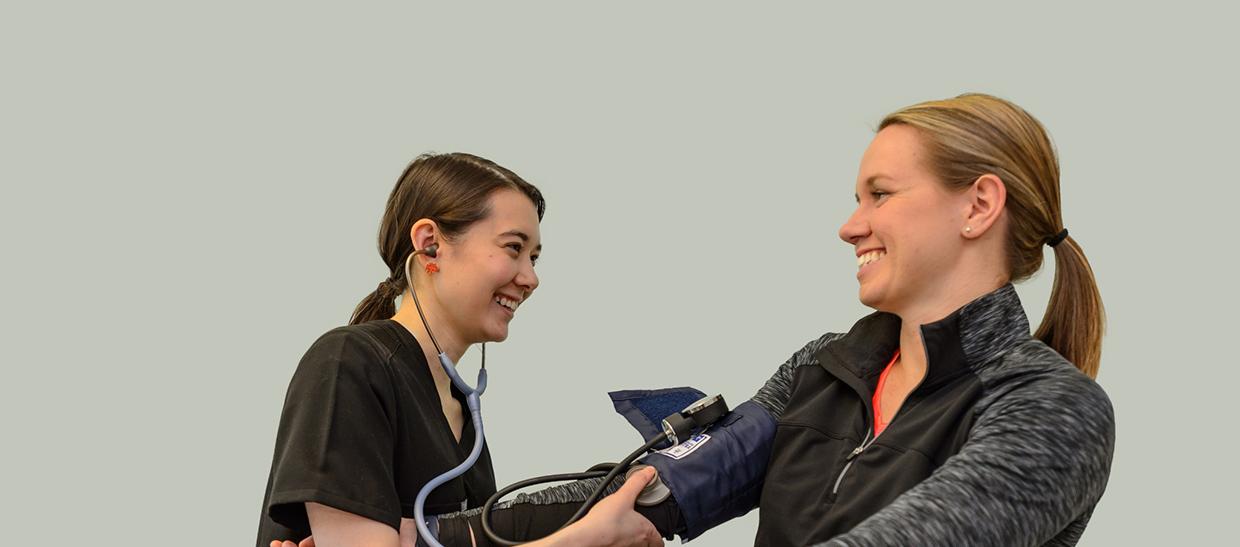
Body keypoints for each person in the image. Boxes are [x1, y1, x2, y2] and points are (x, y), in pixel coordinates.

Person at [426, 94, 1116, 546]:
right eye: (856, 197)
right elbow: (652, 489)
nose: (852, 226)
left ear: (978, 206)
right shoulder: (828, 366)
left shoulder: (1052, 409)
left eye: (881, 194)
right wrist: (417, 536)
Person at [256, 152, 665, 547]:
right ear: (431, 243)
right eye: (513, 248)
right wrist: (583, 540)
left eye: (535, 257)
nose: (531, 278)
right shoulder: (349, 364)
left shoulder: (461, 417)